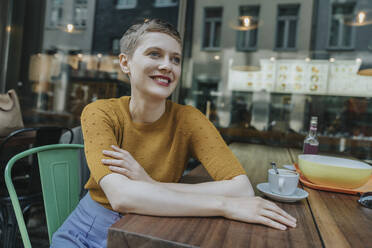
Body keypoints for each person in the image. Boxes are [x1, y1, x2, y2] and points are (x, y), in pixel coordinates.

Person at [51, 19, 296, 248]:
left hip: (154, 226)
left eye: (175, 59)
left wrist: (150, 184)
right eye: (154, 54)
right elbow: (121, 196)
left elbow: (241, 189)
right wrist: (225, 206)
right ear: (125, 63)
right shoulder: (100, 112)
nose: (167, 66)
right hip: (86, 233)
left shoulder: (189, 119)